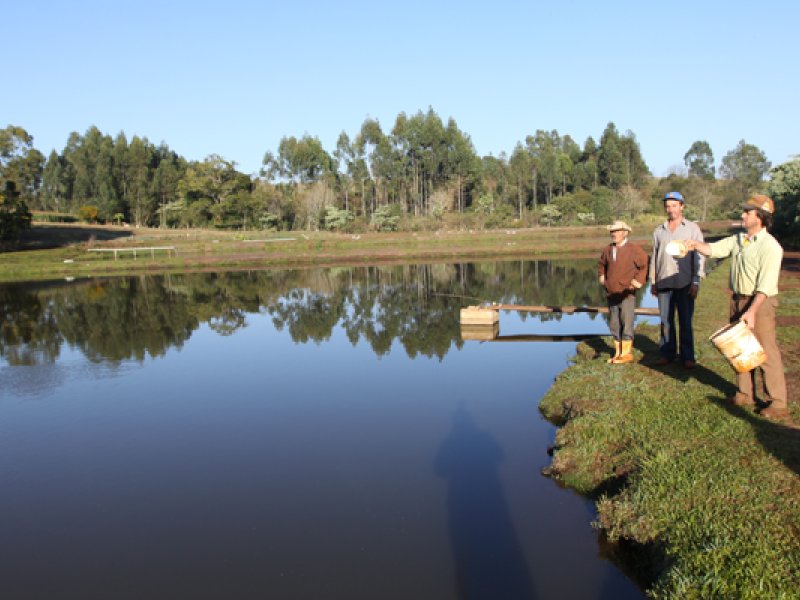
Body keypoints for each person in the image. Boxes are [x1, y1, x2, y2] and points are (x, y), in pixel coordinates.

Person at [683, 194, 789, 421]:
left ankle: (778, 403)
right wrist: (693, 245)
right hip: (738, 299)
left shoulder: (771, 247)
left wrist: (750, 312)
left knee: (764, 351)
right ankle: (745, 394)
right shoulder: (740, 240)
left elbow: (766, 286)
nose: (742, 215)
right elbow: (714, 250)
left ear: (759, 217)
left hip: (759, 302)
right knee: (740, 347)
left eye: (747, 212)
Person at [650, 191, 705, 369]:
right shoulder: (659, 231)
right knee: (666, 321)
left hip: (684, 282)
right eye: (668, 206)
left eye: (674, 205)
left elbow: (700, 256)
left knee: (685, 320)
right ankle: (667, 353)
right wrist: (653, 281)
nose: (670, 209)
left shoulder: (692, 229)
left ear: (682, 206)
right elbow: (654, 257)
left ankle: (687, 356)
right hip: (664, 281)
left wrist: (696, 281)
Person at [598, 220, 649, 364]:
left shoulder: (634, 249)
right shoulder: (607, 249)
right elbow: (601, 265)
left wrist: (636, 283)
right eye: (612, 232)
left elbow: (644, 265)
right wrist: (602, 278)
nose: (613, 234)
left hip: (627, 293)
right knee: (614, 323)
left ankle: (626, 354)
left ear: (625, 233)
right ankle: (617, 352)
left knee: (627, 322)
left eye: (617, 231)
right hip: (611, 293)